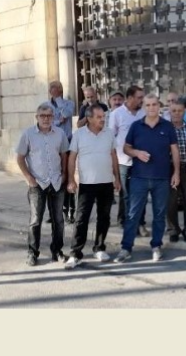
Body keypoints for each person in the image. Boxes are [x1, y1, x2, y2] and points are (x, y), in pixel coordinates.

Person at [115, 94, 180, 263]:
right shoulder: (136, 126)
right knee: (133, 214)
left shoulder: (167, 126)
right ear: (144, 107)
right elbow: (126, 148)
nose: (151, 107)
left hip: (162, 178)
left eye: (154, 104)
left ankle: (156, 246)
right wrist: (137, 153)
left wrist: (176, 172)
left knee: (159, 214)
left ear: (159, 106)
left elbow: (174, 150)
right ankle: (126, 248)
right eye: (148, 105)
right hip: (139, 178)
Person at [64, 105, 121, 269]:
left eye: (104, 117)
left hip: (106, 182)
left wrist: (117, 178)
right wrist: (71, 180)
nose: (103, 119)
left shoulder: (109, 133)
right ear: (89, 118)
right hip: (87, 184)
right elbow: (72, 158)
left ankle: (99, 248)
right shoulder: (79, 134)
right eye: (99, 117)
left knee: (104, 217)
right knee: (81, 219)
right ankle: (75, 253)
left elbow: (113, 156)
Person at [15, 104, 70, 266]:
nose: (46, 119)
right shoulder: (28, 134)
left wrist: (65, 175)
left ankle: (57, 251)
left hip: (56, 182)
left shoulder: (59, 133)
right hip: (37, 183)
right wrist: (29, 178)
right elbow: (20, 157)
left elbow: (64, 155)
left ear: (53, 117)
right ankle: (33, 252)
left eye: (49, 116)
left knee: (58, 220)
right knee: (35, 220)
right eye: (42, 116)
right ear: (37, 117)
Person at [108, 85, 148, 235]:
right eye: (139, 97)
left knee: (141, 194)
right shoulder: (117, 114)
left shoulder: (144, 113)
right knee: (126, 195)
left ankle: (140, 223)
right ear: (130, 98)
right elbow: (111, 138)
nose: (142, 100)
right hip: (123, 160)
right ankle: (128, 222)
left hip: (141, 160)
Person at [166, 101, 186, 243]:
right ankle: (173, 230)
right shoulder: (166, 128)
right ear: (169, 112)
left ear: (184, 112)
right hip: (170, 169)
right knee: (171, 202)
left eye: (179, 111)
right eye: (174, 111)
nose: (177, 113)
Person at [45, 80, 76, 223]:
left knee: (68, 178)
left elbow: (67, 113)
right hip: (52, 144)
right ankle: (53, 213)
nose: (52, 90)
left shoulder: (69, 103)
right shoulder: (46, 106)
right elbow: (48, 123)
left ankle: (69, 211)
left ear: (60, 90)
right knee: (53, 178)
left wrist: (58, 101)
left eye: (55, 88)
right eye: (51, 88)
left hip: (67, 143)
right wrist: (58, 121)